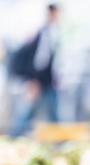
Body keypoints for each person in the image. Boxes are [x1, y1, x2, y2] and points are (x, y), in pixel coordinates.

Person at [9, 3, 60, 137]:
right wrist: (34, 81)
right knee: (27, 114)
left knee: (52, 114)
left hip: (46, 82)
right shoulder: (43, 33)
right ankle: (13, 138)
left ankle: (58, 143)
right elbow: (39, 60)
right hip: (39, 82)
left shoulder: (50, 32)